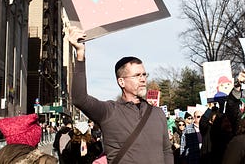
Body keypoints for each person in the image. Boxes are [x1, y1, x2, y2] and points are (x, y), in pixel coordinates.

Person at [68, 26, 173, 164]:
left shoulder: (157, 113)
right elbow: (79, 99)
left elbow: (166, 151)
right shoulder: (109, 111)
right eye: (136, 75)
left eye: (144, 74)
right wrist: (80, 55)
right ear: (121, 82)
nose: (143, 79)